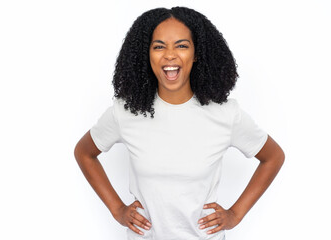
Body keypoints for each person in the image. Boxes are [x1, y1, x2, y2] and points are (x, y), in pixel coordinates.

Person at [74, 6, 285, 240]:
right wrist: (117, 209)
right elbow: (84, 153)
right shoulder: (125, 113)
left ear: (196, 54)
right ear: (147, 54)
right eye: (159, 46)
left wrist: (235, 214)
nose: (170, 55)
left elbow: (273, 156)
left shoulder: (225, 114)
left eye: (182, 45)